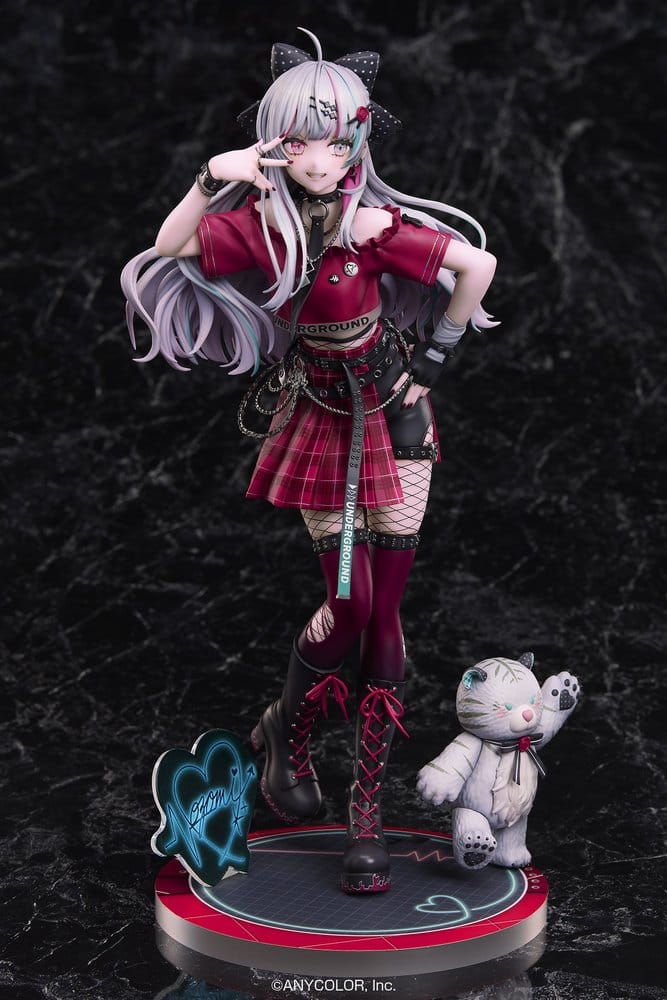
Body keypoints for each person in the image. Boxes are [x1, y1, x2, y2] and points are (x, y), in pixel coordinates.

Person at [121, 28, 497, 894]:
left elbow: (476, 265)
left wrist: (434, 360)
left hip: (394, 417)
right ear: (275, 144)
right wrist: (211, 177)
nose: (318, 159)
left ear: (360, 138)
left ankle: (365, 810)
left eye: (334, 140)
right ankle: (285, 734)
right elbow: (172, 247)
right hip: (320, 417)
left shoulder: (373, 226)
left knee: (384, 615)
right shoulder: (262, 227)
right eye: (297, 142)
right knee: (347, 603)